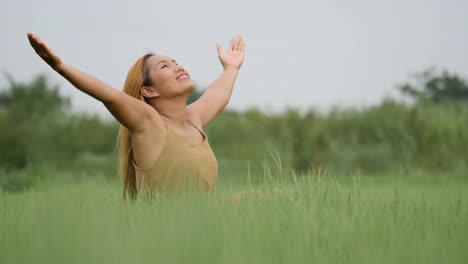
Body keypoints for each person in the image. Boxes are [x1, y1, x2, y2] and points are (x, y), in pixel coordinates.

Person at [27, 32, 245, 199]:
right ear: (149, 91)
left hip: (204, 234)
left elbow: (218, 93)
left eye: (176, 62)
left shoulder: (193, 119)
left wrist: (231, 68)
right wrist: (60, 66)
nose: (177, 67)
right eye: (165, 66)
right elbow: (109, 95)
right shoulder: (149, 124)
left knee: (264, 196)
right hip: (169, 242)